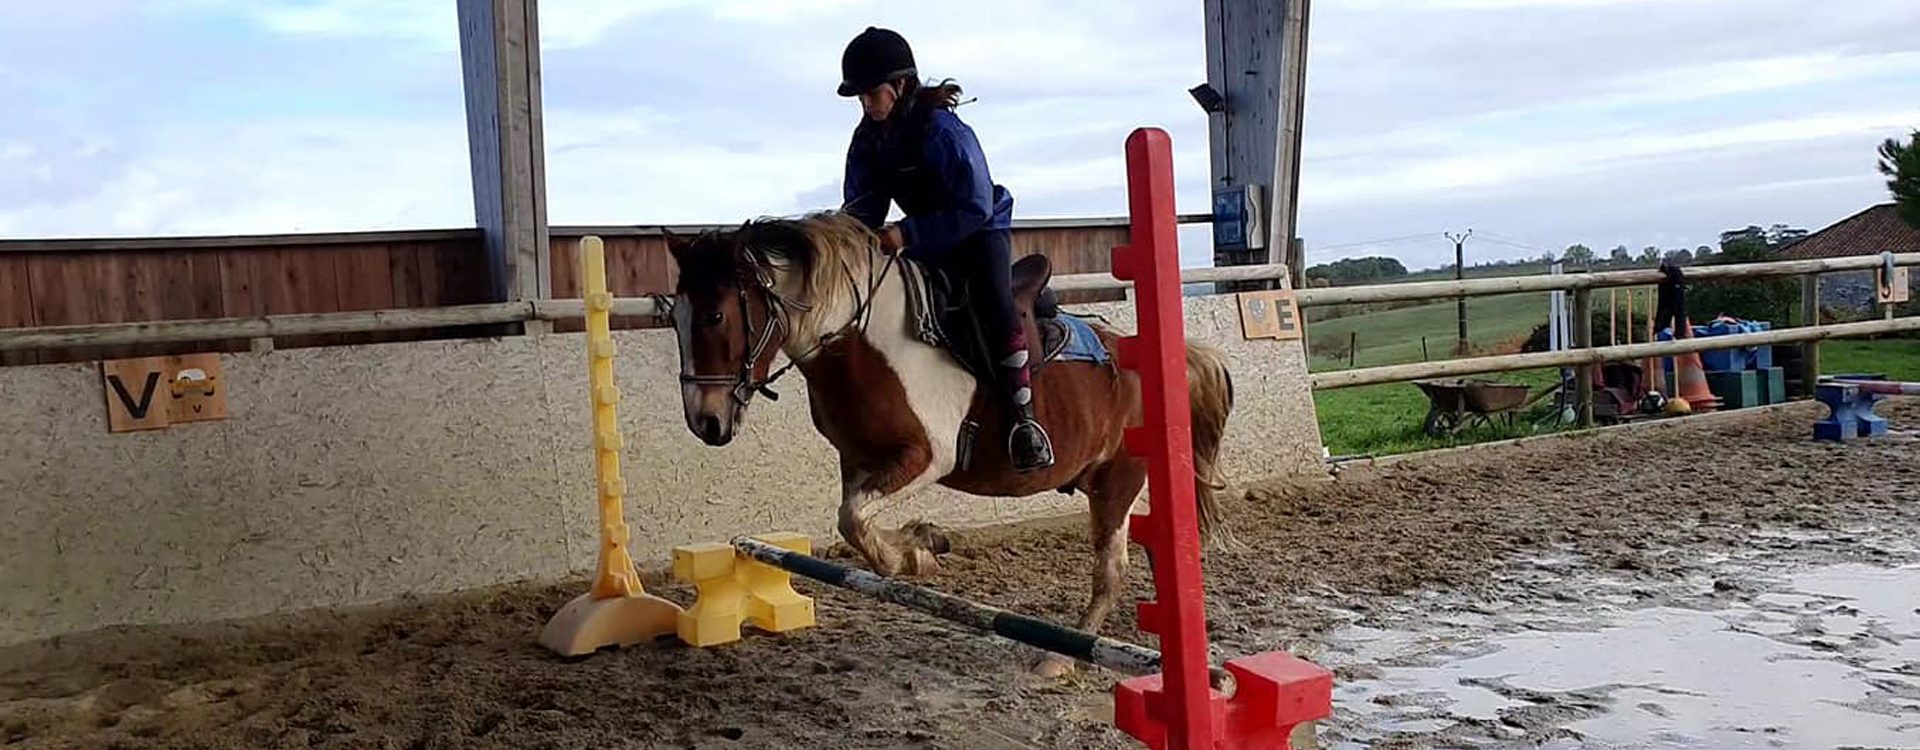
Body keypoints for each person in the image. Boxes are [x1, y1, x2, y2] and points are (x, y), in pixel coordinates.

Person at [835, 26, 1054, 473]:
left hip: (979, 228)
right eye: (860, 97)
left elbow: (974, 205)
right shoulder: (868, 138)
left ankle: (1024, 419)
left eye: (871, 94)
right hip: (926, 236)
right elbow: (862, 208)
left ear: (899, 86)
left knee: (995, 303)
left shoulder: (943, 129)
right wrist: (845, 240)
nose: (866, 105)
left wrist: (906, 235)